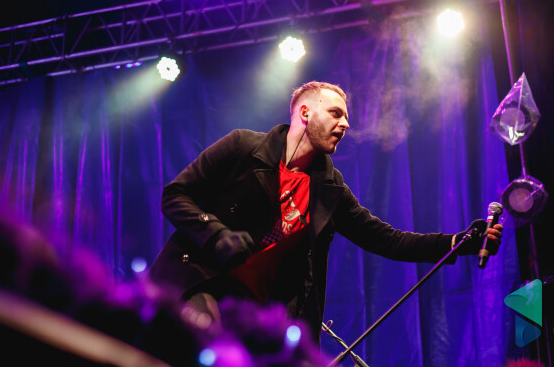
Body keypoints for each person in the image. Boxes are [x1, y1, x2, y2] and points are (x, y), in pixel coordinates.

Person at [148, 81, 503, 343]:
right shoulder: (243, 146)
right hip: (200, 283)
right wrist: (216, 235)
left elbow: (386, 239)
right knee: (205, 344)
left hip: (256, 312)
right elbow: (175, 195)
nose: (345, 124)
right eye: (336, 113)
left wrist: (457, 243)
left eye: (346, 117)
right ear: (305, 112)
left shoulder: (329, 190)